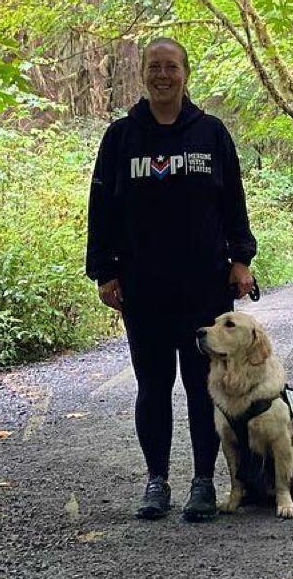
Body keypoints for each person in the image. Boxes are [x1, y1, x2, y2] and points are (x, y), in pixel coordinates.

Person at [86, 37, 258, 522]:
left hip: (204, 284)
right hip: (143, 287)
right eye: (154, 67)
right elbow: (101, 210)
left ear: (186, 73)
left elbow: (234, 204)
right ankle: (156, 481)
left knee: (204, 386)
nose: (163, 75)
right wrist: (104, 270)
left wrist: (241, 260)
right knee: (153, 385)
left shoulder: (211, 133)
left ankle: (204, 482)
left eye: (172, 67)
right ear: (142, 73)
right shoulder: (121, 137)